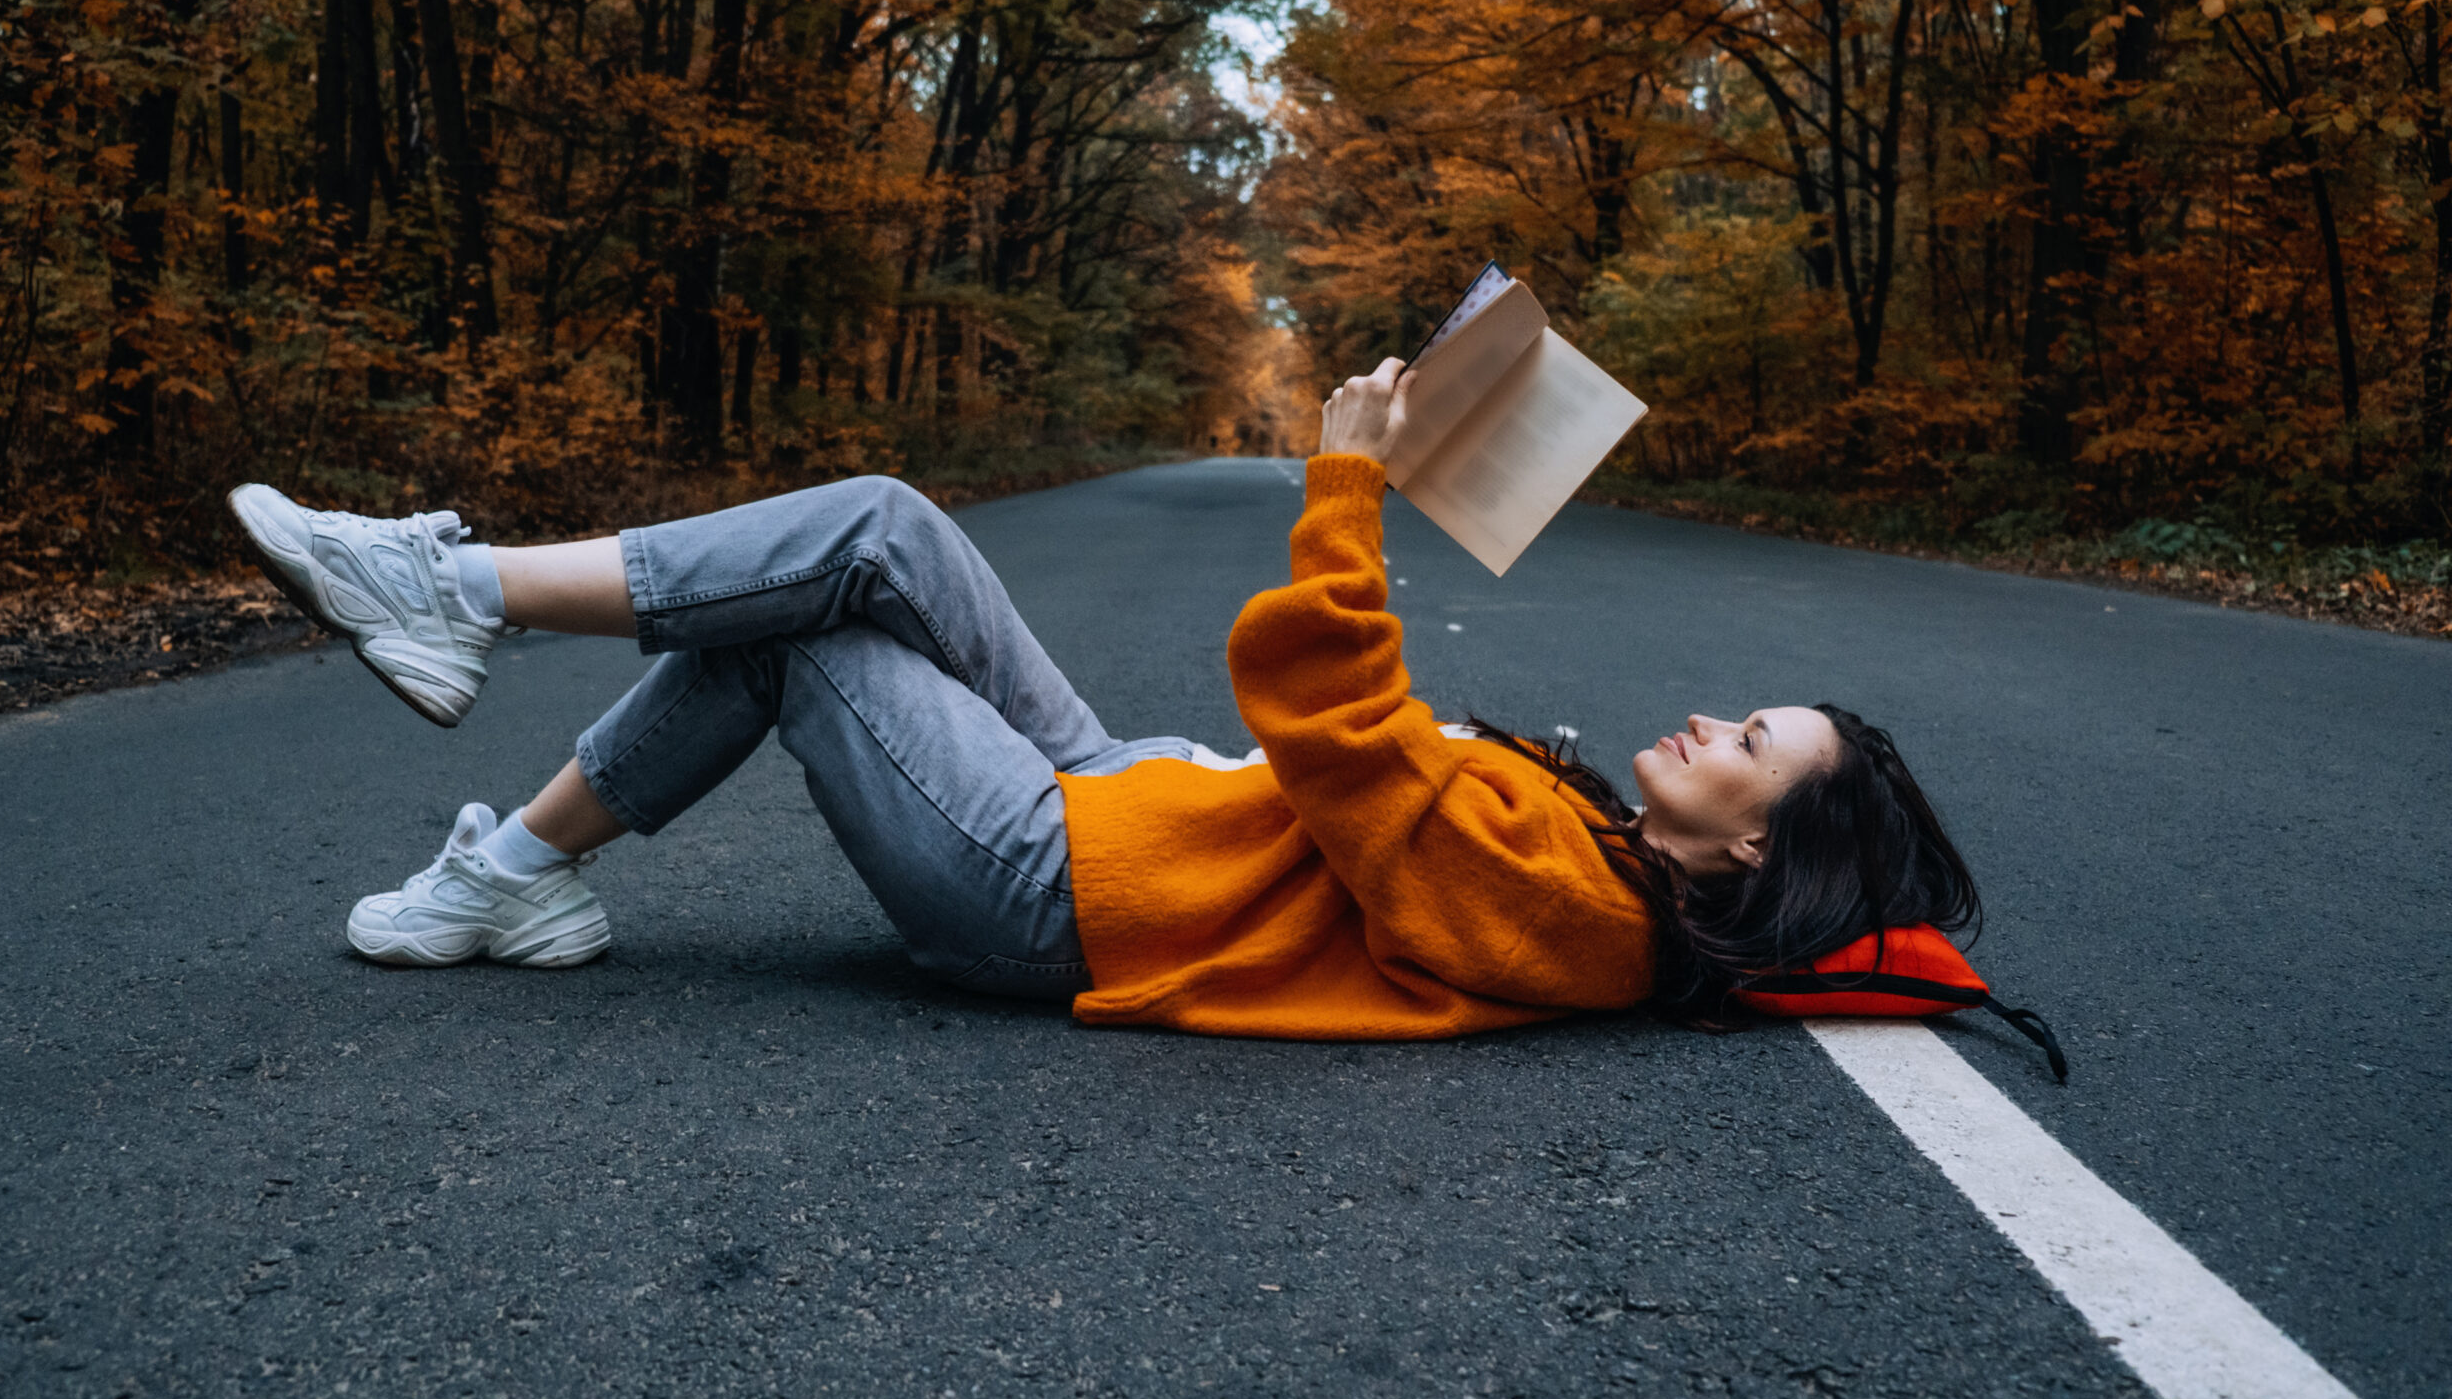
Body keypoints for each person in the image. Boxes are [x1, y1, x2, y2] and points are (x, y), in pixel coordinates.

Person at [228, 360, 1979, 1038]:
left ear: (1752, 857)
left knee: (810, 625)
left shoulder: (1585, 912)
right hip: (1131, 796)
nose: (1710, 722)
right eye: (1746, 709)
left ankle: (452, 615)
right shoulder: (1599, 855)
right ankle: (507, 858)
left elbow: (1349, 739)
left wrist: (1349, 481)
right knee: (886, 529)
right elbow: (1341, 790)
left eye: (1751, 746)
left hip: (1056, 888)